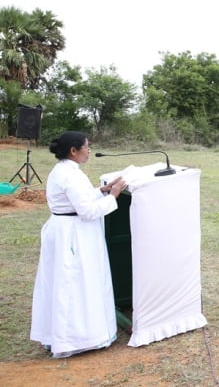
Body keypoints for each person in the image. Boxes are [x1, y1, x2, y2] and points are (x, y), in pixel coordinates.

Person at [30, 131, 128, 358]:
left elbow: (78, 198)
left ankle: (71, 335)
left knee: (70, 282)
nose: (89, 150)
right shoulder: (69, 175)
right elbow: (86, 211)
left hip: (67, 230)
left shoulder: (66, 171)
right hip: (72, 235)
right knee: (73, 283)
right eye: (86, 146)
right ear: (73, 151)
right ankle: (76, 338)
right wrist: (113, 196)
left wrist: (101, 191)